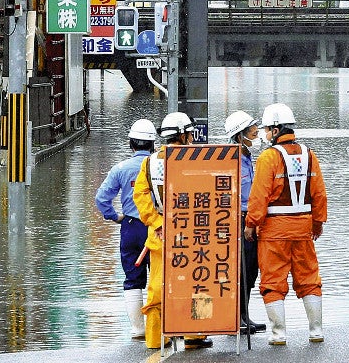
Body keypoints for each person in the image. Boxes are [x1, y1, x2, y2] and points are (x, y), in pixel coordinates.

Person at [244, 103, 328, 346]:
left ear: (276, 129)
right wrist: (318, 222)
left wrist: (251, 223)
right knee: (309, 278)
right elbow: (319, 194)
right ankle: (316, 331)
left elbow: (259, 196)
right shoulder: (309, 155)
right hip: (303, 229)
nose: (265, 134)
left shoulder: (269, 158)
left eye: (268, 129)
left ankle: (278, 334)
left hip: (274, 231)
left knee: (273, 281)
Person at [133, 111, 212, 350]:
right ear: (183, 134)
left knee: (157, 287)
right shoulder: (196, 159)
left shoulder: (150, 162)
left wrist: (156, 223)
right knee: (198, 283)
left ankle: (157, 338)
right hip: (193, 236)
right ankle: (195, 335)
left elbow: (140, 196)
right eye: (189, 133)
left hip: (160, 236)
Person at [94, 118, 157, 339]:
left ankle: (138, 329)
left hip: (130, 227)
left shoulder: (120, 169)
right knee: (161, 277)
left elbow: (102, 199)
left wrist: (115, 216)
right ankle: (160, 328)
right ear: (153, 145)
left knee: (132, 279)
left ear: (131, 143)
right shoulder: (160, 165)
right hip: (157, 228)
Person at [223, 110, 267, 335]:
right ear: (240, 136)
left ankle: (243, 315)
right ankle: (236, 318)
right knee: (240, 271)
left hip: (251, 219)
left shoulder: (248, 157)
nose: (257, 134)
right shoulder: (231, 160)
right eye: (252, 132)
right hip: (239, 221)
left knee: (250, 271)